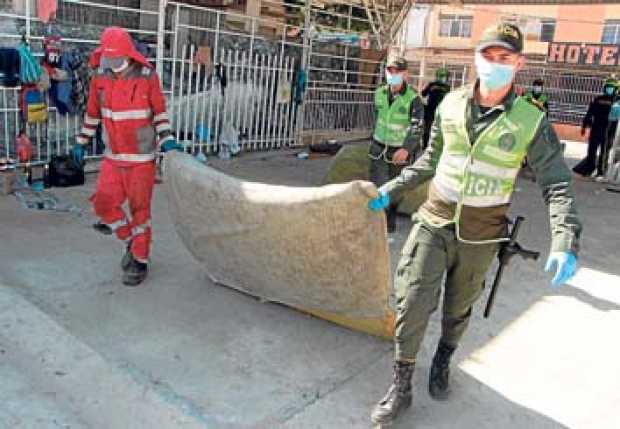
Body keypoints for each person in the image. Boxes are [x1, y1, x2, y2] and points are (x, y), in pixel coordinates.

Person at [366, 23, 582, 426]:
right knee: (411, 300)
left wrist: (565, 238)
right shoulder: (448, 105)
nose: (495, 65)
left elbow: (556, 182)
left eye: (505, 58)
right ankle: (402, 384)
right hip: (434, 219)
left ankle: (443, 360)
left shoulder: (530, 120)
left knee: (458, 309)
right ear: (476, 57)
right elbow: (430, 160)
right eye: (488, 56)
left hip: (482, 234)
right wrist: (391, 188)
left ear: (518, 63)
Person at [70, 27, 183, 286]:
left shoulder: (147, 77)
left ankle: (140, 260)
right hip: (114, 157)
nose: (113, 66)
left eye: (117, 59)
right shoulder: (100, 77)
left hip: (141, 160)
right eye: (109, 60)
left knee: (140, 211)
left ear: (130, 55)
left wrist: (167, 141)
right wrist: (81, 142)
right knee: (103, 203)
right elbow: (92, 114)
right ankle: (130, 239)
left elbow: (159, 113)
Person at [368, 56, 424, 233]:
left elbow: (418, 126)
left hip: (398, 152)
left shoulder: (413, 98)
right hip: (378, 148)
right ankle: (378, 221)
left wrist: (407, 149)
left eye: (397, 72)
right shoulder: (379, 93)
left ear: (405, 74)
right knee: (379, 186)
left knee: (394, 188)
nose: (393, 74)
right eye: (390, 71)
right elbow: (377, 116)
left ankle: (388, 220)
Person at [573, 78, 616, 179]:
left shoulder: (616, 101)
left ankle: (601, 172)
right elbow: (589, 113)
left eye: (612, 88)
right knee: (591, 151)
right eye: (608, 87)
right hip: (596, 128)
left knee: (604, 152)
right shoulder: (598, 99)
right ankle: (589, 169)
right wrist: (584, 125)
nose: (610, 89)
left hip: (609, 130)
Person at [421, 67, 451, 148]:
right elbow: (423, 93)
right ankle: (427, 146)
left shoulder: (445, 87)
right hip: (434, 111)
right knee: (430, 130)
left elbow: (423, 93)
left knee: (432, 130)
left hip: (437, 111)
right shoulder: (446, 87)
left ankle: (428, 146)